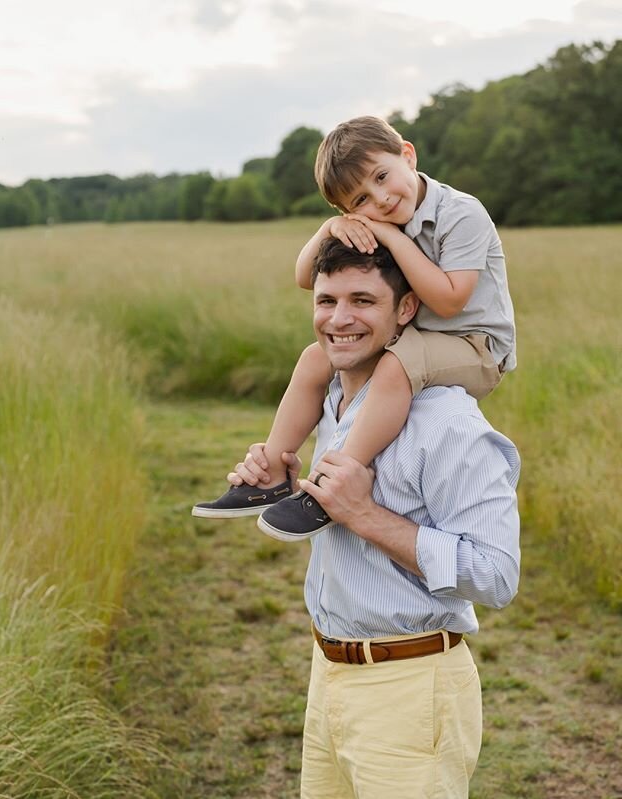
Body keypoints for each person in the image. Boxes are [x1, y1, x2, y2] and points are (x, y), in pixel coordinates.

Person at [228, 237, 521, 798]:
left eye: (362, 300)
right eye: (326, 300)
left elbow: (497, 576)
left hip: (412, 691)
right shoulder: (336, 398)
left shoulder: (449, 425)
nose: (339, 319)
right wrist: (285, 482)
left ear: (405, 310)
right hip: (328, 674)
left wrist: (363, 514)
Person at [193, 115, 516, 540]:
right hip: (418, 339)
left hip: (476, 347)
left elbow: (450, 299)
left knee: (395, 366)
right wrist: (330, 227)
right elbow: (304, 277)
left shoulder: (460, 213)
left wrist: (390, 236)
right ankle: (269, 473)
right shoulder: (369, 218)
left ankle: (337, 479)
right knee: (315, 357)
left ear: (407, 154)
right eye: (360, 200)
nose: (380, 199)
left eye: (382, 176)